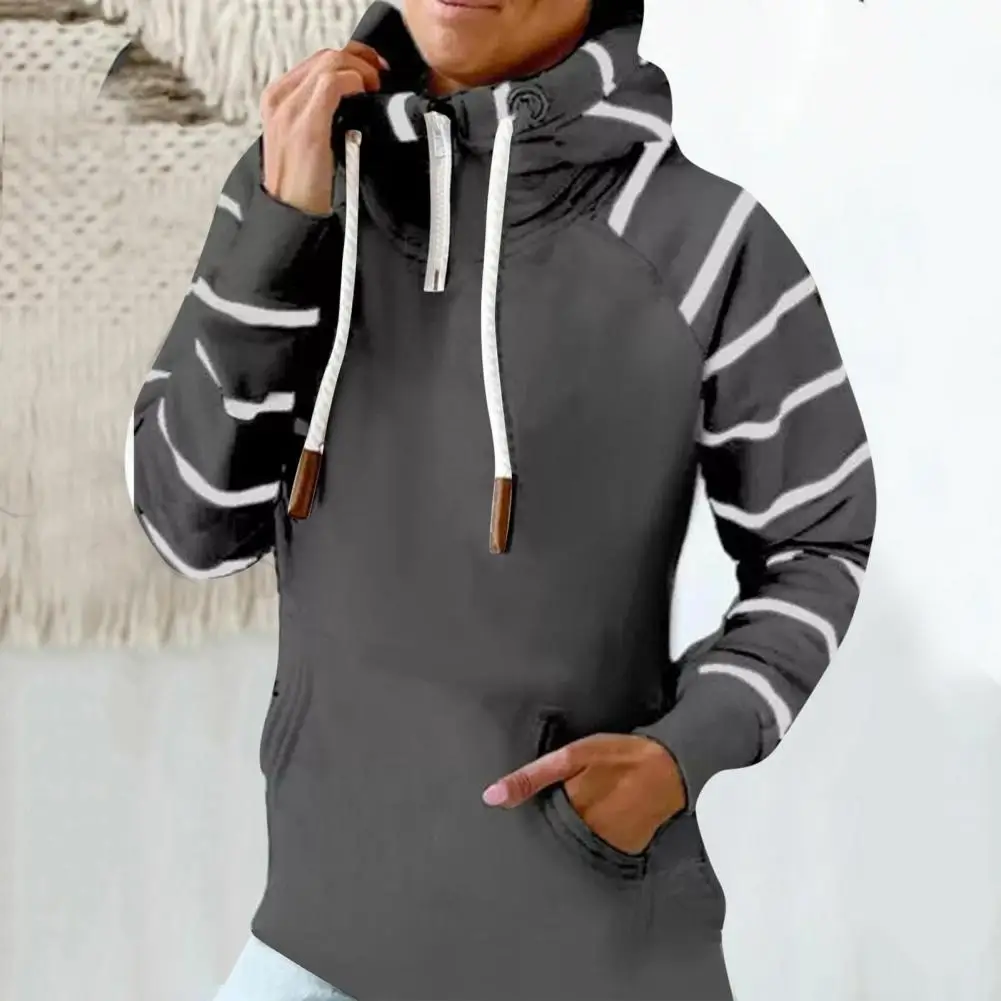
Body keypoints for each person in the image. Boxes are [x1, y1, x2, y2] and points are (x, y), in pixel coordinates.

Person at [126, 0, 877, 998]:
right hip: (320, 933)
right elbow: (190, 527)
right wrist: (278, 231)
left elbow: (815, 542)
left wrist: (679, 753)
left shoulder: (704, 241)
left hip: (591, 958)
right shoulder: (292, 185)